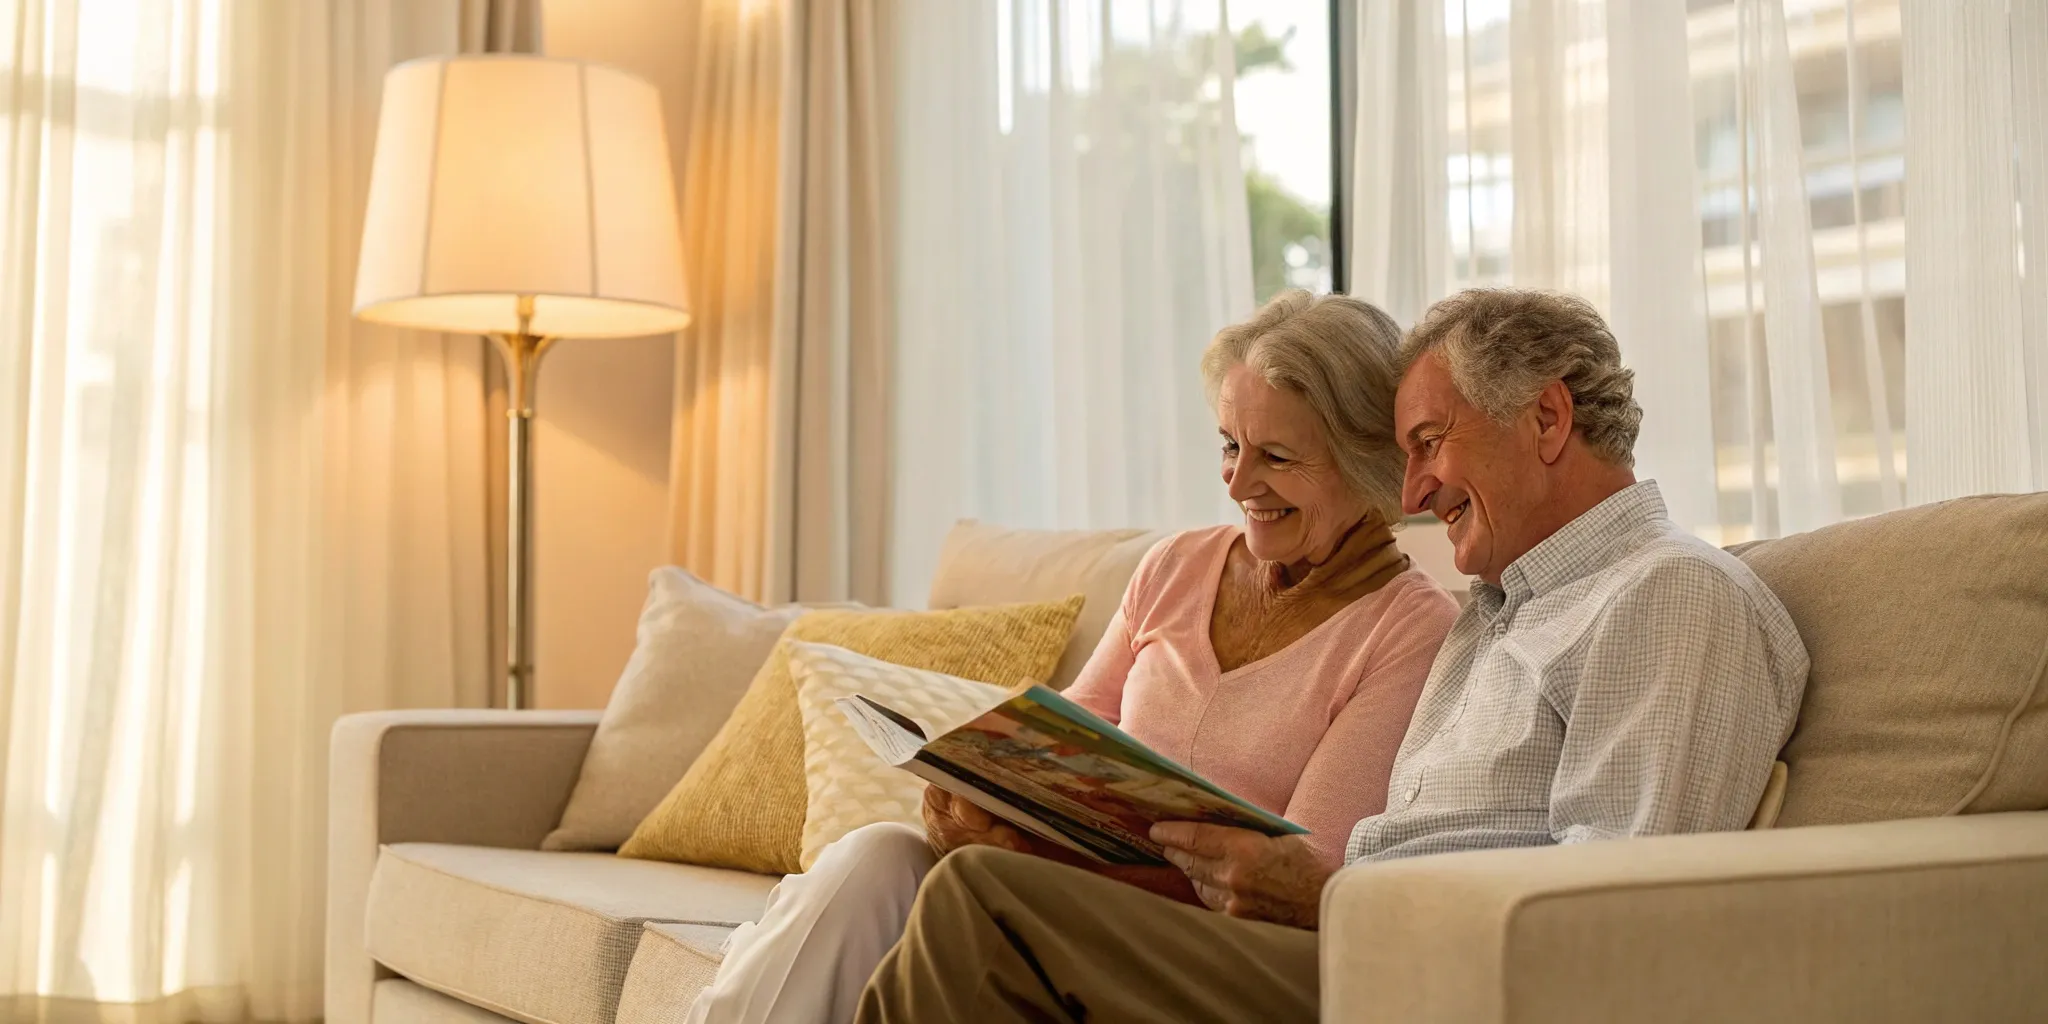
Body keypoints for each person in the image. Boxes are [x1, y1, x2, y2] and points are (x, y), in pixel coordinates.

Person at [851, 288, 1811, 1023]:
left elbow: (1612, 913)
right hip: (1361, 940)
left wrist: (1331, 889)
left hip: (1416, 979)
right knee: (946, 891)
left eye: (1430, 443)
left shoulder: (1670, 595)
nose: (1416, 486)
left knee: (985, 898)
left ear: (1548, 420)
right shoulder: (1503, 609)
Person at [686, 290, 1462, 1024]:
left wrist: (1034, 861)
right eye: (1230, 445)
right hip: (1057, 880)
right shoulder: (1177, 567)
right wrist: (982, 798)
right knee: (876, 857)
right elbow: (1069, 731)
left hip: (1204, 940)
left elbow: (1288, 883)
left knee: (973, 882)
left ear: (1367, 463)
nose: (1238, 483)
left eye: (1278, 458)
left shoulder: (1407, 631)